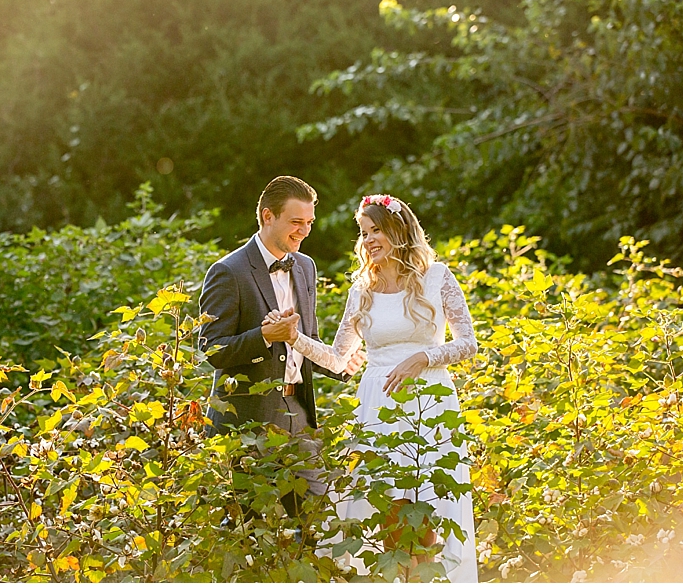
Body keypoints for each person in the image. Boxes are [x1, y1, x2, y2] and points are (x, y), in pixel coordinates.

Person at [263, 193, 479, 581]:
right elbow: (337, 358)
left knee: (429, 513)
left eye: (376, 230)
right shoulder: (362, 289)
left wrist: (423, 358)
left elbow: (468, 343)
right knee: (391, 514)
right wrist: (294, 338)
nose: (368, 240)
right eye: (363, 233)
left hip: (430, 401)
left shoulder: (437, 277)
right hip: (378, 404)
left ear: (399, 229)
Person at [199, 175, 364, 516]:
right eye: (295, 222)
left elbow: (309, 341)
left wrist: (339, 364)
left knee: (319, 523)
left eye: (309, 223)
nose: (304, 231)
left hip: (300, 417)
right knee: (245, 531)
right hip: (247, 423)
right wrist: (263, 337)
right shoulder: (228, 271)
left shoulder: (305, 267)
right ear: (266, 216)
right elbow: (212, 349)